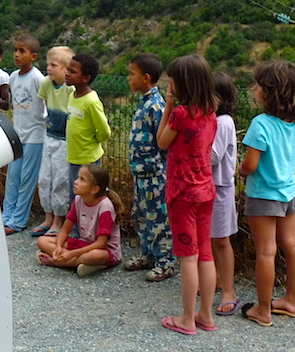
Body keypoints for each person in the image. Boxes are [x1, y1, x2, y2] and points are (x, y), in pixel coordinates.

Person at [239, 61, 295, 326]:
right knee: (291, 245)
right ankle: (292, 300)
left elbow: (251, 164)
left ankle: (263, 310)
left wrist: (243, 171)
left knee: (266, 251)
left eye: (258, 85)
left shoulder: (260, 124)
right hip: (290, 192)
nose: (254, 89)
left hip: (264, 195)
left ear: (268, 92)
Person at [156, 54, 218, 335]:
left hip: (182, 193)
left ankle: (186, 319)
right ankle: (205, 314)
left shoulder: (181, 114)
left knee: (188, 256)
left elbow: (162, 141)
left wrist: (168, 105)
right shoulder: (212, 114)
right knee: (205, 253)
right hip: (206, 190)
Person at [123, 53, 176, 282]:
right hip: (141, 173)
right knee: (143, 215)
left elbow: (163, 142)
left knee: (159, 218)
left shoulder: (156, 105)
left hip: (155, 174)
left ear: (146, 77)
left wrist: (158, 167)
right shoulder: (144, 102)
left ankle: (166, 262)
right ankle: (148, 254)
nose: (128, 78)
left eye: (132, 74)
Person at [36, 164, 125, 277]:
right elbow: (65, 229)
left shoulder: (105, 207)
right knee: (42, 241)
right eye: (78, 177)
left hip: (105, 250)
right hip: (83, 243)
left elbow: (101, 243)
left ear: (94, 189)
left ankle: (60, 262)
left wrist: (71, 254)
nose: (76, 181)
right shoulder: (78, 200)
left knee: (95, 256)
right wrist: (58, 246)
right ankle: (78, 262)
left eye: (82, 179)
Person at [29, 46, 75, 237]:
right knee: (45, 178)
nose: (49, 68)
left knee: (60, 180)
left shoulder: (70, 88)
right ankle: (48, 217)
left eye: (54, 65)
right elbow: (46, 106)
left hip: (65, 141)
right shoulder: (47, 84)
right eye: (48, 64)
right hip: (50, 136)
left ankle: (59, 219)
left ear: (66, 69)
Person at [2, 36, 45, 235]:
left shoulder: (38, 79)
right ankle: (5, 216)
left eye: (22, 51)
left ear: (33, 56)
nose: (17, 55)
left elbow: (45, 107)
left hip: (35, 137)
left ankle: (18, 221)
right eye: (16, 50)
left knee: (27, 180)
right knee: (13, 177)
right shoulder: (12, 77)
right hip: (17, 135)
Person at [210, 72, 241, 316]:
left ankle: (228, 290)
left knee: (221, 240)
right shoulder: (214, 120)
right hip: (210, 187)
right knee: (211, 238)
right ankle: (217, 279)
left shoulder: (223, 123)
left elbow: (212, 157)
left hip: (219, 188)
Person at [64, 54, 110, 205]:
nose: (67, 73)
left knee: (89, 197)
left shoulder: (91, 101)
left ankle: (91, 228)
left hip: (88, 158)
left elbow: (104, 131)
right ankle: (77, 228)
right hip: (74, 156)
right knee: (75, 196)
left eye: (72, 71)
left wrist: (91, 143)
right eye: (67, 69)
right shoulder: (72, 95)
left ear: (86, 78)